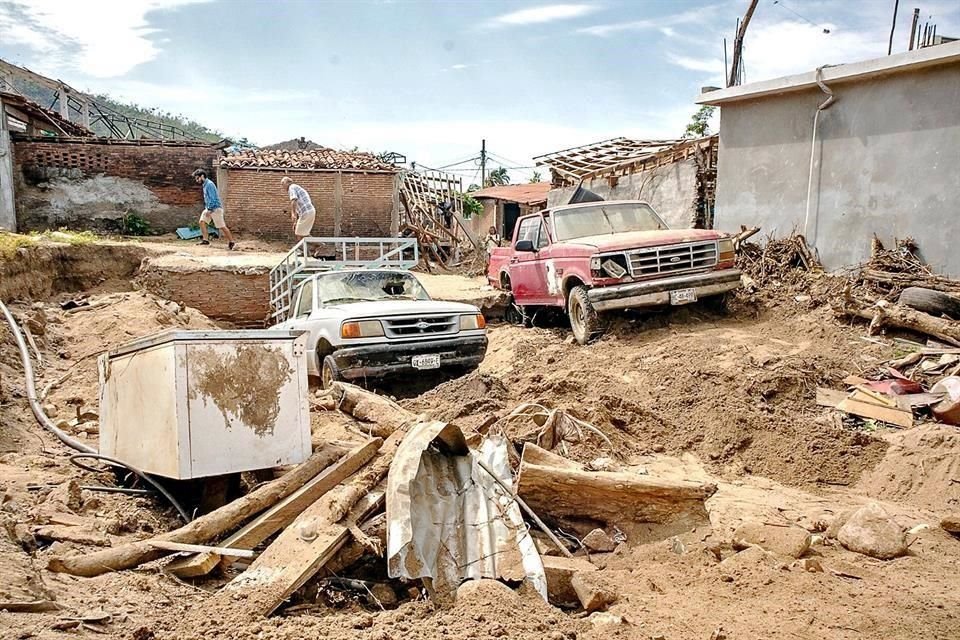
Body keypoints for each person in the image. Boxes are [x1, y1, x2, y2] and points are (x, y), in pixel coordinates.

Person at [193, 169, 235, 250]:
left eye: (197, 178)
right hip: (209, 207)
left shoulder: (209, 184)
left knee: (221, 226)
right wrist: (208, 209)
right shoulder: (204, 185)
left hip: (215, 208)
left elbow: (213, 198)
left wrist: (209, 210)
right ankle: (205, 240)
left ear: (202, 176)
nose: (197, 180)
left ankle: (231, 242)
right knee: (202, 221)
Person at [281, 176, 316, 243]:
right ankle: (312, 248)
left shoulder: (292, 187)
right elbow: (298, 207)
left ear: (287, 183)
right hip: (307, 212)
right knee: (302, 233)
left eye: (283, 184)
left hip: (307, 212)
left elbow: (294, 200)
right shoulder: (295, 187)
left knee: (299, 234)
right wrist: (295, 222)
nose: (283, 187)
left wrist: (293, 213)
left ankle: (320, 245)